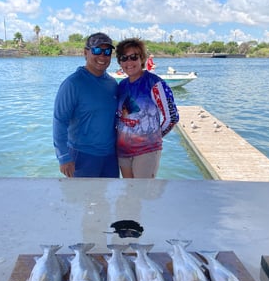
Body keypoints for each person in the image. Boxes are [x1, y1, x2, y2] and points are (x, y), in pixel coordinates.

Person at [53, 32, 119, 178]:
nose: (102, 56)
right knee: (81, 200)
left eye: (107, 52)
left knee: (108, 200)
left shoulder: (112, 83)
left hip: (110, 156)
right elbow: (59, 121)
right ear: (85, 53)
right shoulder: (72, 83)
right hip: (82, 156)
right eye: (96, 50)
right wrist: (63, 156)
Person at [115, 38, 179, 178]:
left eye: (134, 57)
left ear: (142, 58)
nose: (129, 62)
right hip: (123, 151)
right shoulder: (121, 85)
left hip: (146, 151)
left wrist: (154, 136)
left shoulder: (156, 84)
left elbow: (172, 117)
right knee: (129, 191)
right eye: (124, 58)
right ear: (120, 62)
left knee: (142, 194)